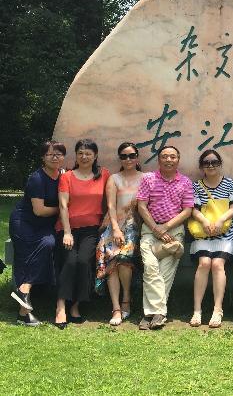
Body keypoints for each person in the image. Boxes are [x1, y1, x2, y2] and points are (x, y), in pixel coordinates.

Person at [9, 140, 66, 326]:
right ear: (43, 157)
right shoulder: (37, 178)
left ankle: (23, 297)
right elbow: (39, 210)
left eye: (58, 154)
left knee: (49, 244)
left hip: (44, 226)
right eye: (50, 154)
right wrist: (64, 210)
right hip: (24, 223)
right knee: (26, 258)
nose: (55, 157)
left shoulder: (63, 175)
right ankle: (24, 311)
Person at [137, 145, 193, 330]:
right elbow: (142, 206)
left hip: (174, 232)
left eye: (173, 157)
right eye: (165, 156)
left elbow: (187, 210)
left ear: (178, 159)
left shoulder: (185, 182)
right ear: (158, 159)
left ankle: (151, 315)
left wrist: (165, 228)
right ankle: (157, 312)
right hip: (149, 230)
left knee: (165, 273)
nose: (169, 160)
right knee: (150, 268)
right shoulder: (148, 179)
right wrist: (156, 229)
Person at [55, 139, 110, 328]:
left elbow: (111, 200)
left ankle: (76, 305)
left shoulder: (103, 175)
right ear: (76, 155)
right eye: (80, 153)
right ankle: (61, 305)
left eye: (88, 153)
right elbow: (63, 205)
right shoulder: (67, 177)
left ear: (95, 156)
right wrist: (67, 232)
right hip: (68, 228)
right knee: (70, 261)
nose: (84, 156)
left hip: (91, 229)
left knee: (84, 261)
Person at [188, 149, 233, 328]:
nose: (210, 166)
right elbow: (194, 209)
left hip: (225, 231)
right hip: (203, 230)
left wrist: (220, 220)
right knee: (204, 263)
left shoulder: (229, 183)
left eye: (214, 162)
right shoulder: (196, 185)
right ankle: (197, 310)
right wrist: (204, 221)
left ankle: (217, 309)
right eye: (206, 163)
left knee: (218, 264)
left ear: (220, 164)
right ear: (201, 166)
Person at [95, 142, 143, 326]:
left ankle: (126, 299)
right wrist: (115, 228)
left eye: (131, 155)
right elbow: (111, 206)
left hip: (135, 227)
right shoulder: (114, 178)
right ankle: (116, 308)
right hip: (114, 226)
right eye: (124, 156)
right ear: (120, 159)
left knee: (123, 259)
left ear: (137, 157)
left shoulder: (146, 178)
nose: (128, 159)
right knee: (111, 258)